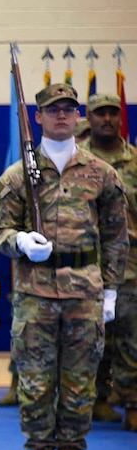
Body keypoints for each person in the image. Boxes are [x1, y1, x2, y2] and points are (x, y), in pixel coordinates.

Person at [0, 83, 128, 450]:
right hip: (35, 294)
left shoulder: (101, 173)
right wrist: (20, 243)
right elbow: (1, 233)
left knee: (80, 383)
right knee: (35, 384)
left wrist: (109, 291)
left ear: (78, 116)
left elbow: (116, 235)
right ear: (38, 117)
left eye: (70, 109)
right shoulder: (18, 176)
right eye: (54, 110)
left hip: (84, 292)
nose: (63, 116)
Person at [79, 93, 137, 429]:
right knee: (89, 336)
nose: (107, 120)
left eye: (113, 114)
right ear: (89, 117)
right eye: (100, 114)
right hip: (87, 263)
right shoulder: (79, 161)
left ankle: (131, 402)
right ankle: (95, 399)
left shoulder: (134, 162)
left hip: (129, 264)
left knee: (130, 337)